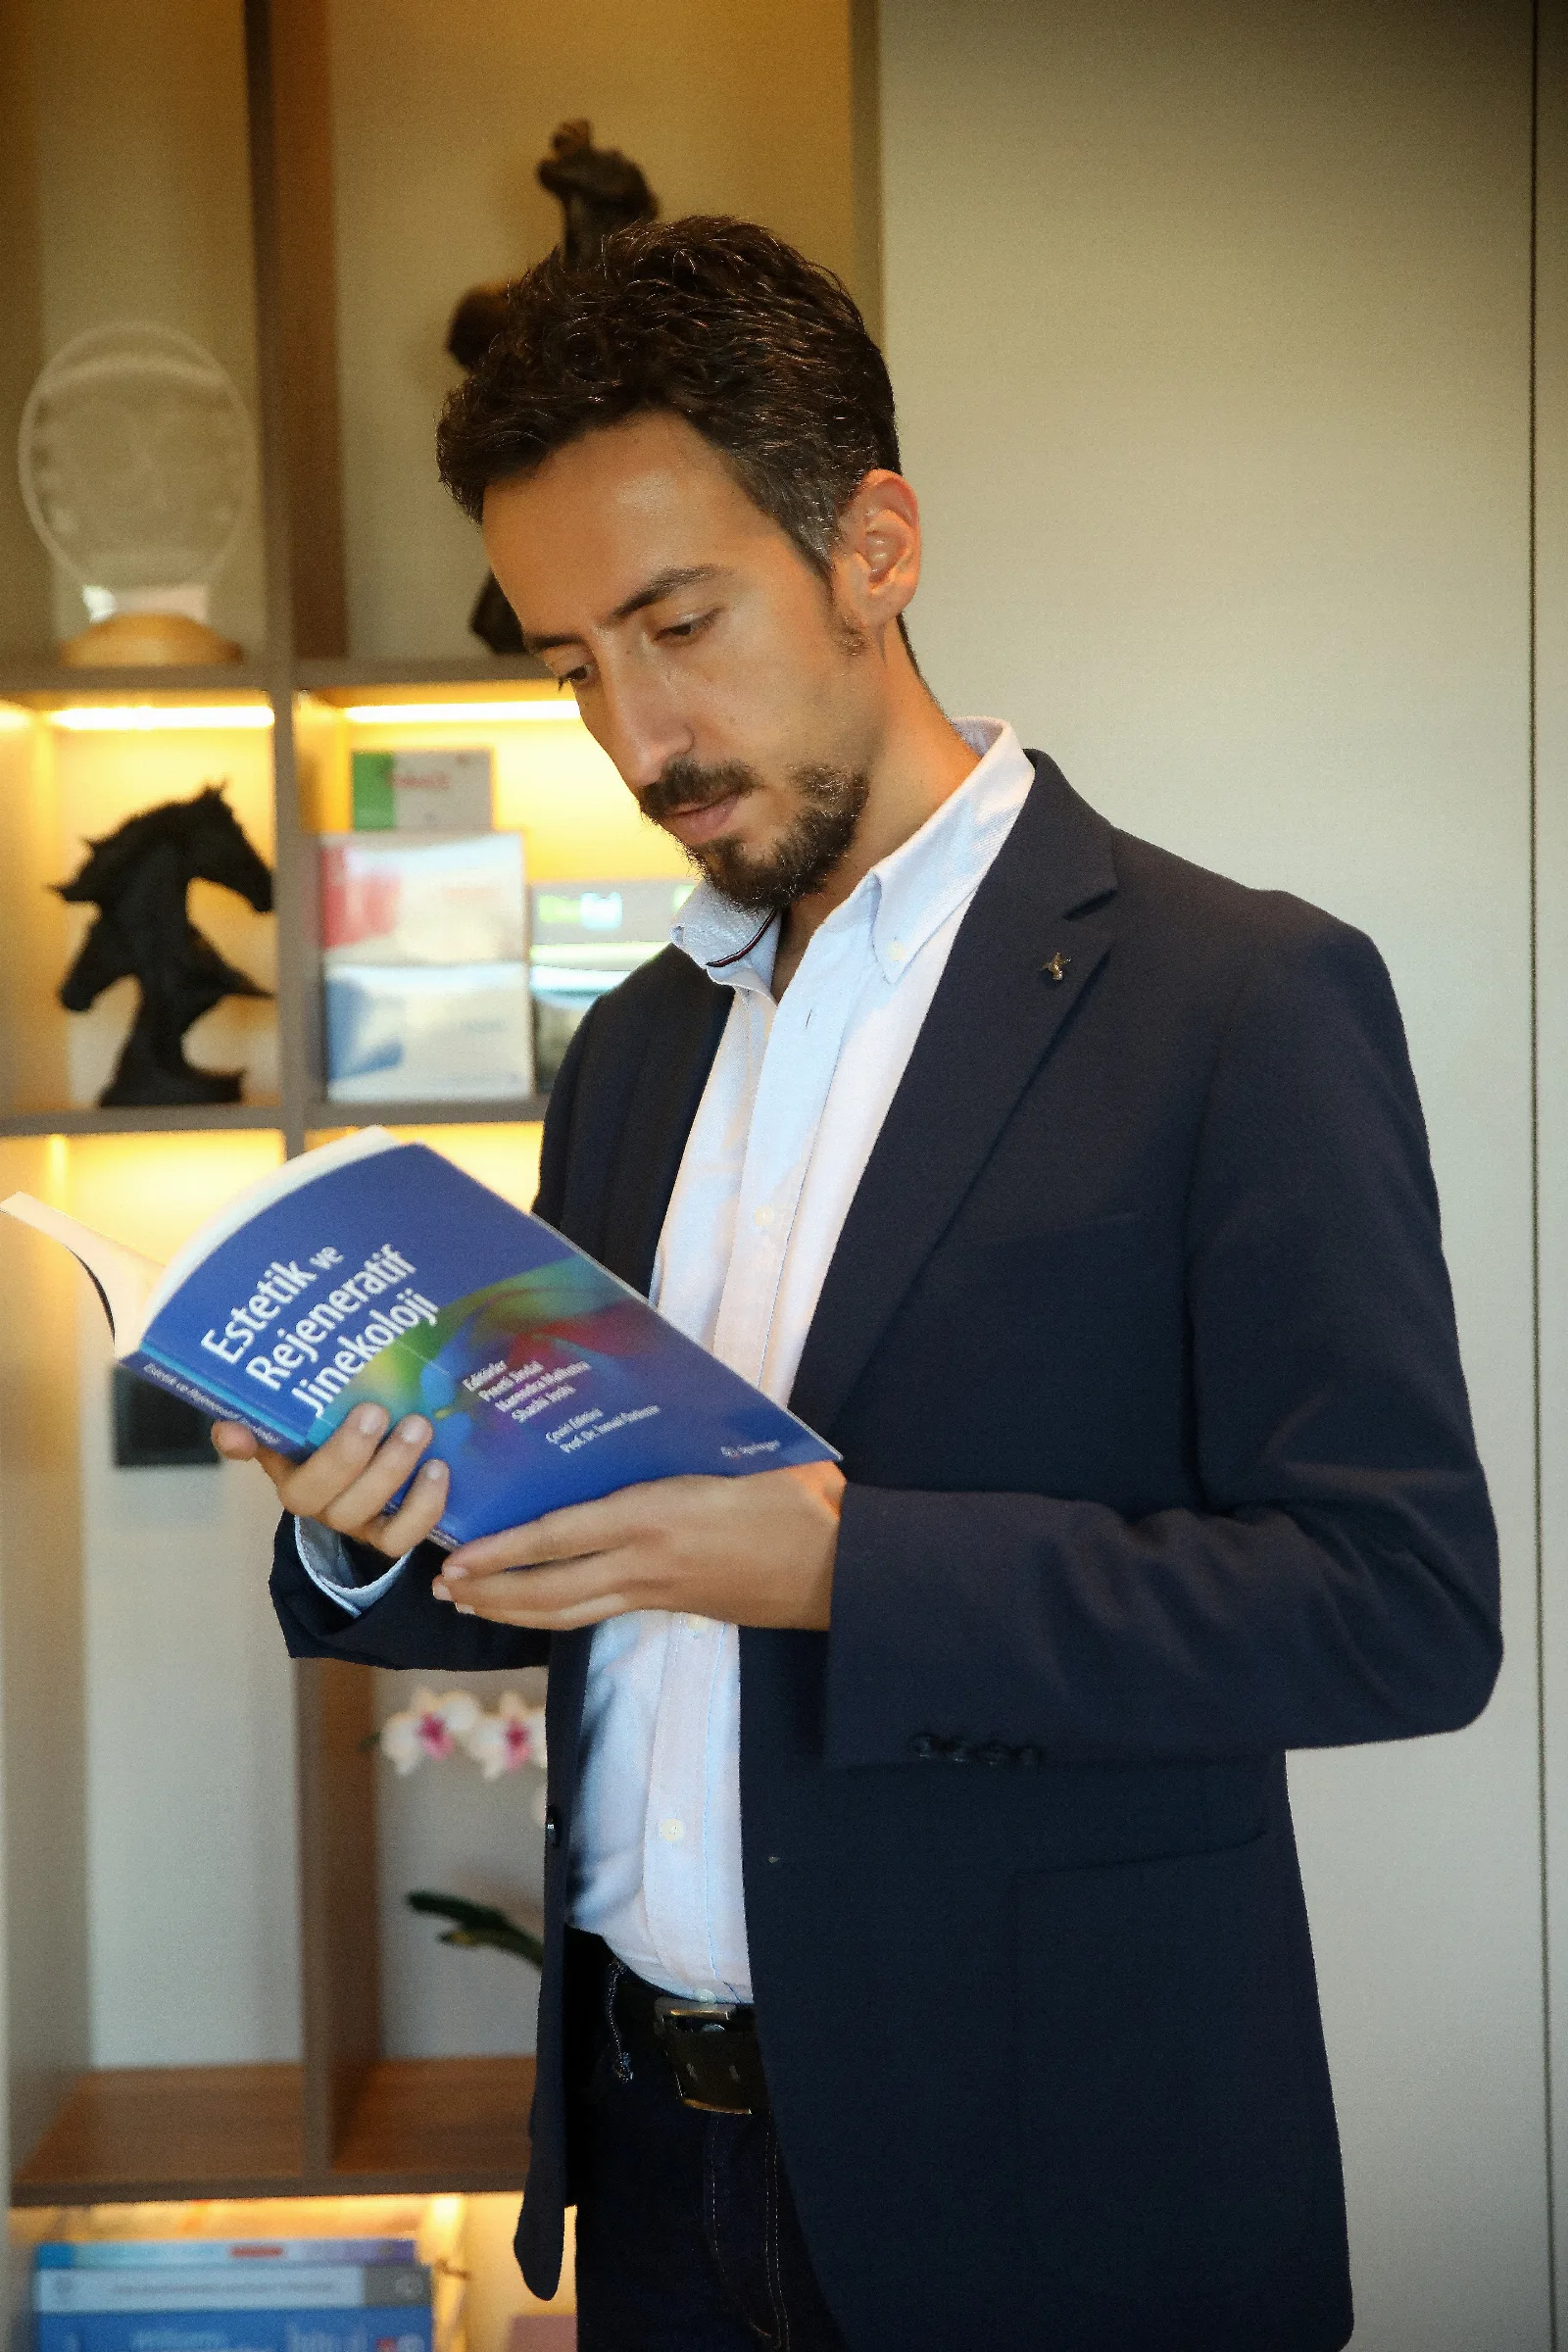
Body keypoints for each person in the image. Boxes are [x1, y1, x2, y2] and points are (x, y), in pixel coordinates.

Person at [221, 217, 1501, 2352]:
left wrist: (840, 1571)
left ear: (873, 548)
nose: (638, 734)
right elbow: (583, 1550)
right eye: (572, 666)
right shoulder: (633, 1049)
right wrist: (366, 1522)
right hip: (646, 2170)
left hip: (1055, 2189)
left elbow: (1398, 1609)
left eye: (677, 622)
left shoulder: (1239, 999)